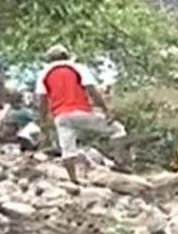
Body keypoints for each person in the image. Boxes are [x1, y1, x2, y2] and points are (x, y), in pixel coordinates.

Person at [34, 45, 123, 183]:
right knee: (117, 130)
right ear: (67, 56)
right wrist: (106, 109)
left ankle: (73, 179)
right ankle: (119, 161)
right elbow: (92, 91)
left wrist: (43, 121)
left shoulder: (44, 74)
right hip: (80, 112)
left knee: (68, 149)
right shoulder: (78, 68)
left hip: (61, 116)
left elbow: (42, 100)